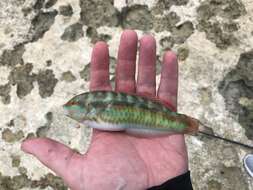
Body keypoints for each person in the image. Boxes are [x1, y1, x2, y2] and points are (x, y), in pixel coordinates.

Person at [21, 30, 193, 190]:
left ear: (87, 108)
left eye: (73, 104)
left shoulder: (92, 114)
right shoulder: (90, 116)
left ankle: (190, 125)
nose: (68, 108)